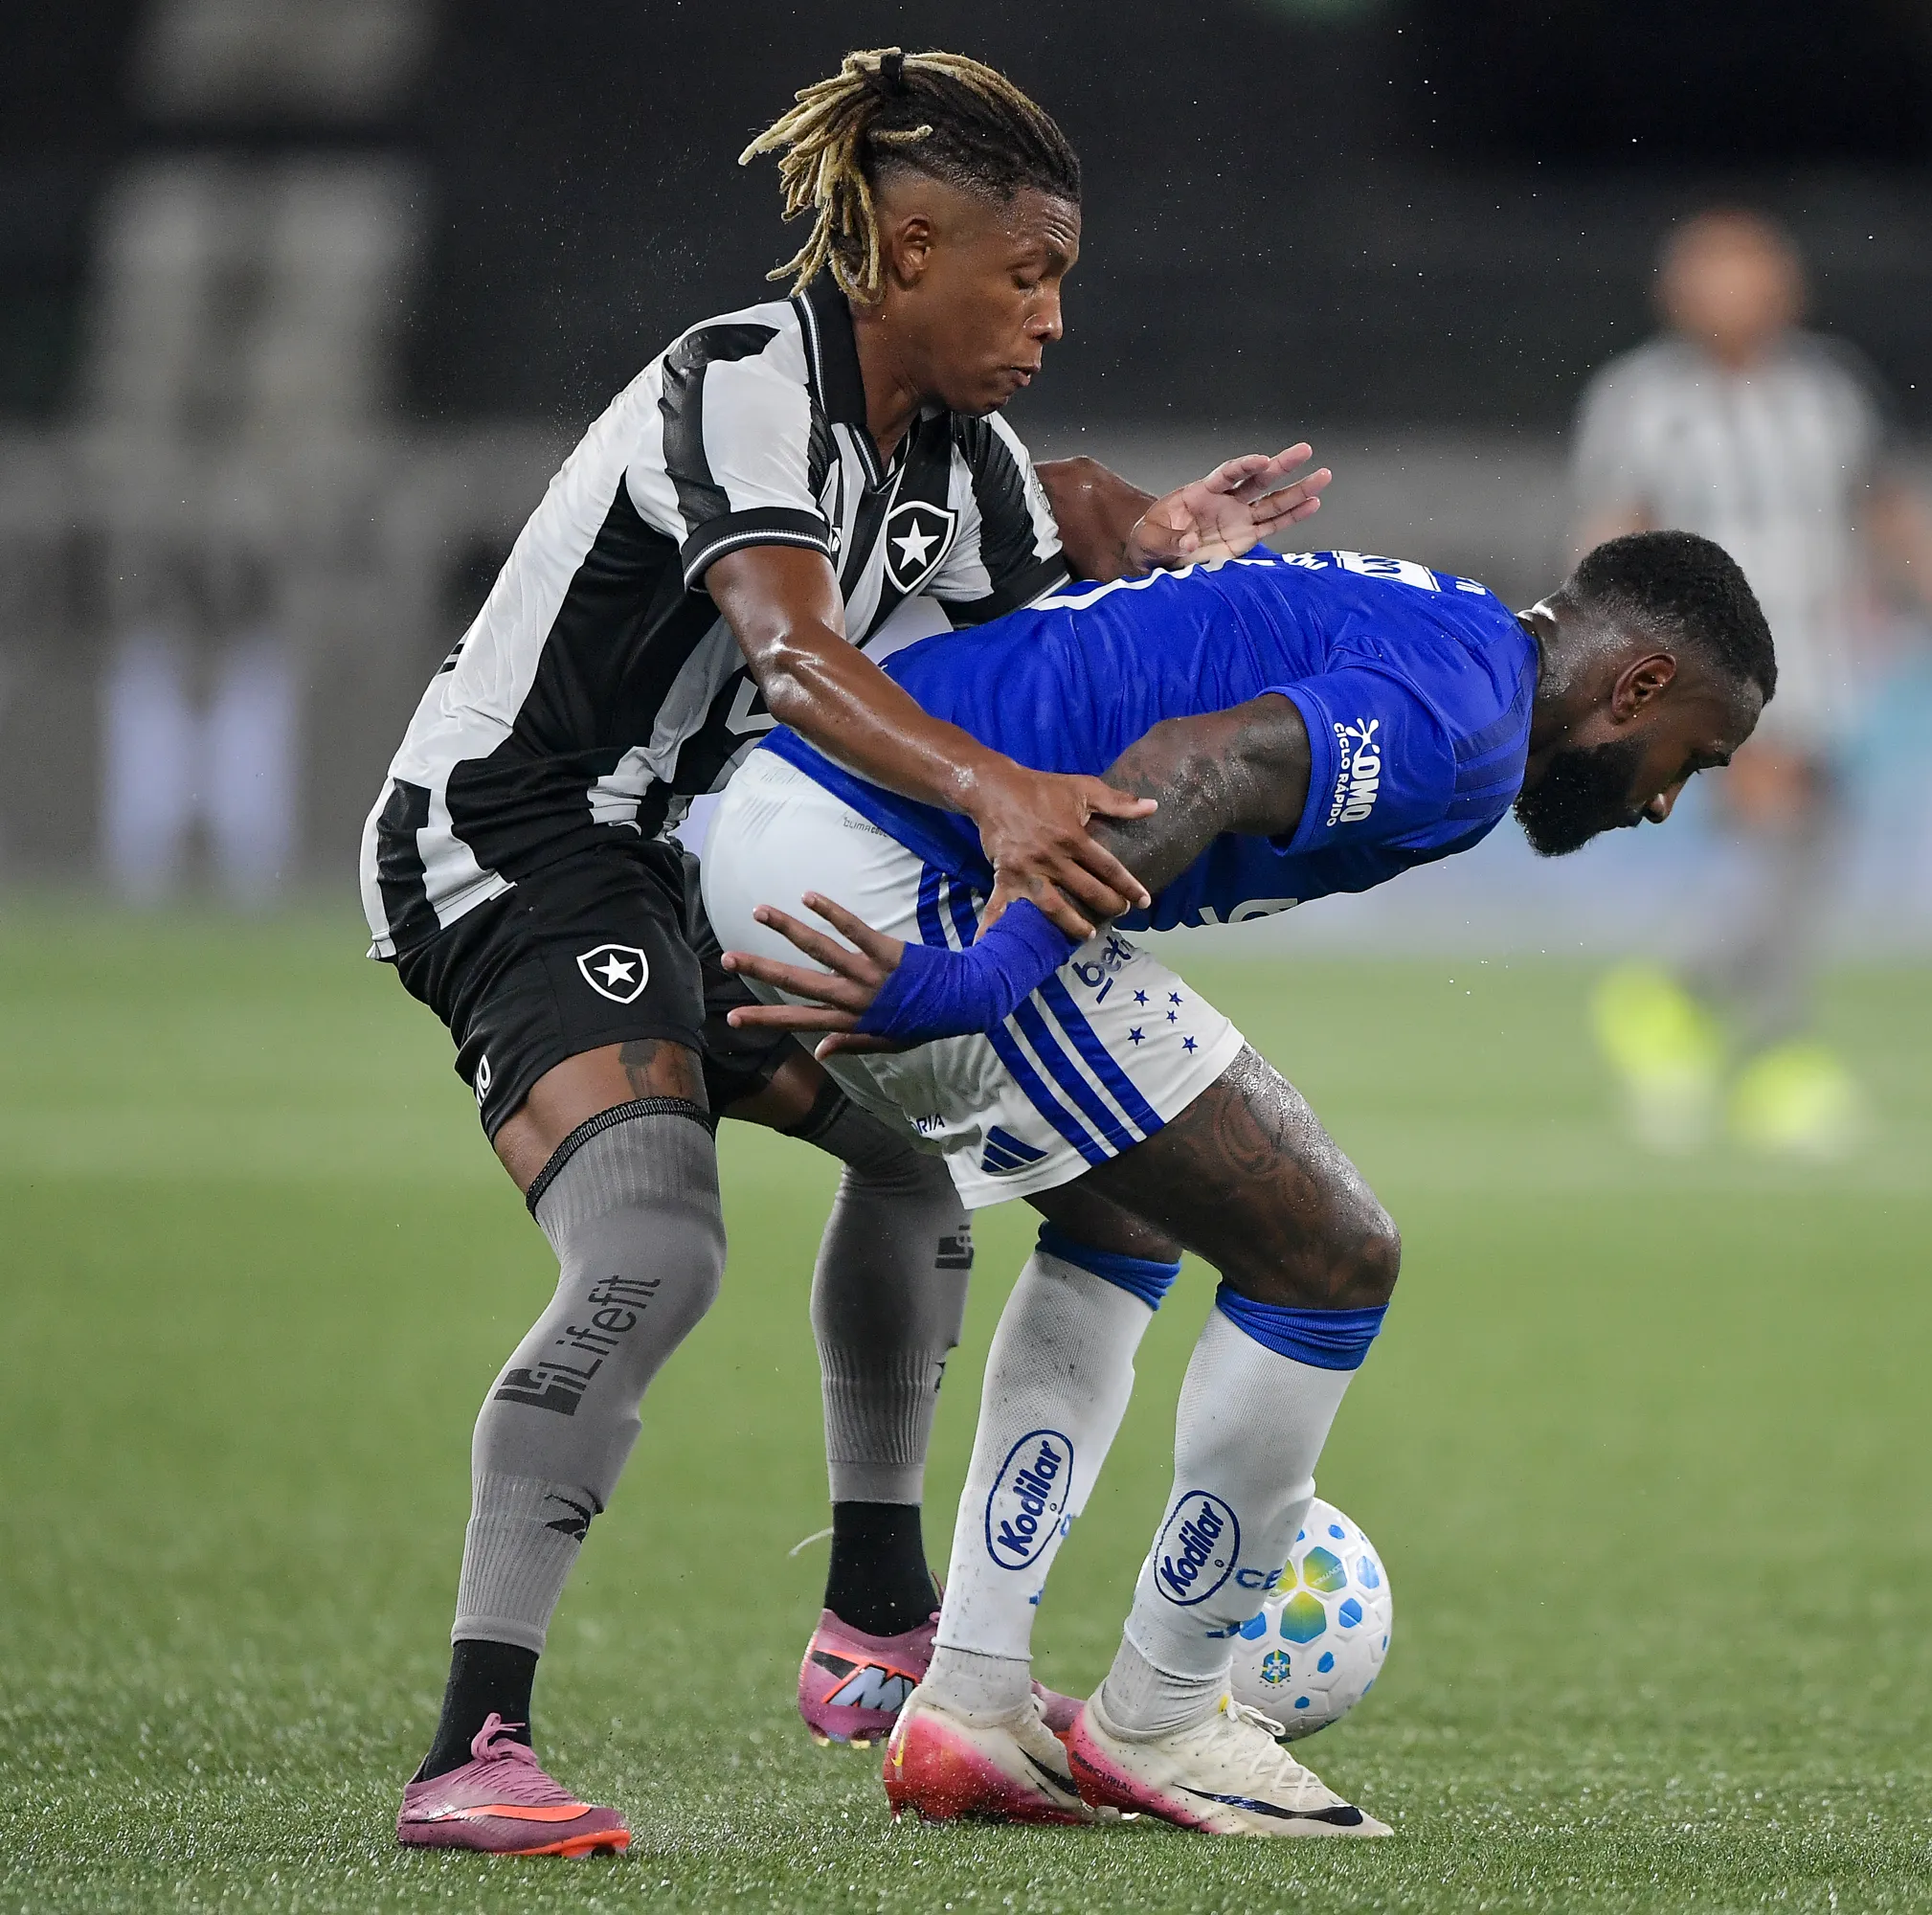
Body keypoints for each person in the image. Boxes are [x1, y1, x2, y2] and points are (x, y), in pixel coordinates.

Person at [373, 47, 1337, 1856]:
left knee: (915, 1171)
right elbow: (808, 657)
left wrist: (1167, 547)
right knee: (653, 1245)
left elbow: (1048, 551)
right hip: (516, 835)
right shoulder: (746, 377)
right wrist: (995, 802)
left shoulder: (945, 458)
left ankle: (877, 1632)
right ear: (903, 247)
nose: (1053, 312)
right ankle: (471, 1747)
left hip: (685, 863)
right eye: (1027, 271)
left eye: (1063, 276)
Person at [700, 529, 1773, 1835]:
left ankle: (973, 1705)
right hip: (889, 865)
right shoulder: (1468, 726)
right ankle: (1164, 1720)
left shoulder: (1463, 644)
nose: (1666, 801)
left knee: (1130, 1210)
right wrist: (982, 979)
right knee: (1329, 1257)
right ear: (1641, 687)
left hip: (822, 820)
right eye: (1693, 764)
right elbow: (1190, 768)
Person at [1570, 207, 1932, 1156]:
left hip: (1825, 660)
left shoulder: (1828, 392)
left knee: (1808, 857)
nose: (1736, 292)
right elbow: (1609, 529)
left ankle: (1674, 995)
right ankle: (1782, 1064)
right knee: (1781, 841)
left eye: (1752, 272)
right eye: (1714, 273)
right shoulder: (1642, 399)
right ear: (1675, 292)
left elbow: (1887, 508)